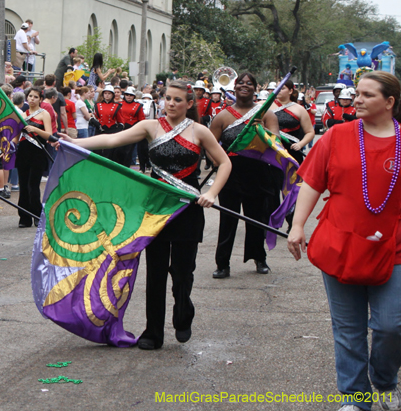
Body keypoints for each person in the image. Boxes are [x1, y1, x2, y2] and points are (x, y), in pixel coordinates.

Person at [59, 80, 232, 350]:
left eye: (177, 100)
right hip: (155, 209)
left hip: (188, 208)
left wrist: (212, 193)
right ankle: (153, 332)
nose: (171, 104)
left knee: (183, 271)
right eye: (168, 99)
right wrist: (77, 142)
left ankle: (183, 309)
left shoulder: (200, 132)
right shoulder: (150, 127)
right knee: (156, 270)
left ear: (189, 104)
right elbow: (112, 139)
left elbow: (224, 163)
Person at [288, 71, 401, 411]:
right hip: (339, 242)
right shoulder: (336, 135)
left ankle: (383, 381)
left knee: (390, 324)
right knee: (348, 328)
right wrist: (297, 225)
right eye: (357, 93)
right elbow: (311, 183)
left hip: (393, 246)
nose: (358, 100)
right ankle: (356, 397)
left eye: (367, 95)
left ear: (389, 102)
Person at [209, 73, 280, 278]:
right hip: (230, 174)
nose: (244, 86)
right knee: (228, 219)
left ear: (255, 88)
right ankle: (222, 263)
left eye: (249, 83)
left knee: (256, 219)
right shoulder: (222, 116)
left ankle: (259, 258)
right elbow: (210, 144)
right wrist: (215, 161)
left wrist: (262, 129)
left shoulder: (266, 113)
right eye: (241, 83)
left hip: (258, 172)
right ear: (234, 86)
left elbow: (275, 142)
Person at [16, 87, 53, 228]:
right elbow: (15, 134)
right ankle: (24, 217)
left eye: (35, 97)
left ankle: (37, 214)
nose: (32, 99)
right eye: (30, 96)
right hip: (23, 151)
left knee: (33, 185)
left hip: (38, 152)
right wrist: (9, 148)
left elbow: (49, 135)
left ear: (41, 99)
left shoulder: (44, 114)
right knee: (23, 185)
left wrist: (36, 129)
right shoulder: (21, 114)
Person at [271, 80, 314, 164]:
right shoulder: (264, 105)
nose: (278, 90)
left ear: (290, 91)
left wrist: (300, 144)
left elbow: (310, 132)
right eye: (277, 87)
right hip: (272, 149)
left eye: (282, 88)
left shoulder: (299, 109)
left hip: (292, 151)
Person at [113, 86, 145, 167]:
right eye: (127, 95)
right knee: (119, 149)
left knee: (129, 151)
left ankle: (126, 167)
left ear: (134, 96)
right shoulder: (118, 104)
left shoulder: (138, 106)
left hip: (132, 130)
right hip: (120, 129)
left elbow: (141, 119)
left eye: (130, 95)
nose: (129, 97)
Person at [93, 85, 122, 159]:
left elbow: (120, 120)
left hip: (111, 129)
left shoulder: (117, 106)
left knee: (109, 151)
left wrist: (118, 129)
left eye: (109, 93)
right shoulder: (97, 105)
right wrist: (95, 122)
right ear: (103, 94)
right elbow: (95, 117)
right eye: (105, 93)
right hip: (100, 128)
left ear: (112, 95)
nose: (107, 95)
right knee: (98, 149)